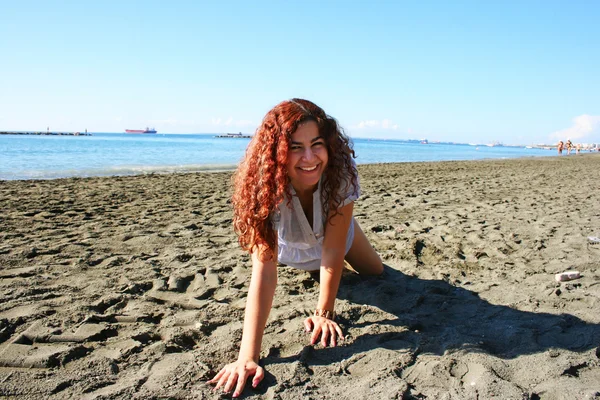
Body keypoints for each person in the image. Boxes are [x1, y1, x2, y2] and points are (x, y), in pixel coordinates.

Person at [208, 99, 383, 397]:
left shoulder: (340, 172)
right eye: (295, 147)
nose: (309, 157)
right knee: (307, 264)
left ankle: (344, 230)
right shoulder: (264, 189)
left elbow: (332, 252)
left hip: (336, 241)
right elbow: (263, 272)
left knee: (376, 272)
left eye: (317, 144)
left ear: (328, 143)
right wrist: (247, 357)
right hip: (292, 252)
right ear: (276, 151)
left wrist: (324, 313)